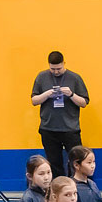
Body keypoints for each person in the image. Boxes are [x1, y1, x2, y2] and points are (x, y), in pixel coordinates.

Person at [31, 50, 89, 178]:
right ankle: (58, 186)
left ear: (64, 64)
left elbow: (84, 103)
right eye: (53, 69)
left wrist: (71, 94)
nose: (56, 72)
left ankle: (77, 186)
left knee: (77, 162)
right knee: (54, 163)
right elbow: (34, 101)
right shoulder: (41, 77)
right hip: (49, 128)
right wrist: (47, 94)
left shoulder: (75, 78)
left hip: (70, 128)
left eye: (59, 69)